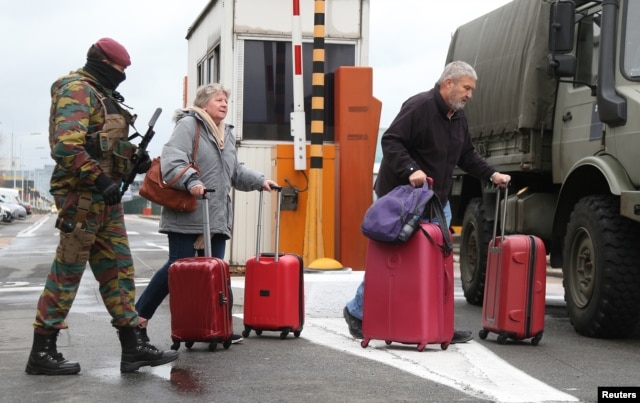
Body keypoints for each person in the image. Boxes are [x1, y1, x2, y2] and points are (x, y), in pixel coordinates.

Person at [26, 38, 178, 375]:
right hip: (82, 198)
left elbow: (104, 145)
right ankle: (42, 351)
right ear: (102, 64)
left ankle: (133, 347)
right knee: (68, 271)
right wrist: (100, 180)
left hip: (103, 200)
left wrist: (130, 162)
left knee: (119, 270)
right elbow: (67, 146)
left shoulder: (102, 95)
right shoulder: (77, 90)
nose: (122, 75)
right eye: (119, 69)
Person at [344, 61, 511, 343]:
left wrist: (492, 174)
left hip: (436, 199)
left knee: (439, 263)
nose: (470, 94)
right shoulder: (419, 107)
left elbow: (466, 155)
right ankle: (356, 312)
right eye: (466, 88)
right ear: (449, 84)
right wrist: (412, 170)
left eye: (472, 89)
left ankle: (439, 322)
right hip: (401, 198)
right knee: (392, 259)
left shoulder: (457, 118)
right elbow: (391, 141)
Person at [135, 83, 279, 342]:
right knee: (176, 271)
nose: (224, 104)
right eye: (218, 100)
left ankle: (215, 327)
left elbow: (233, 172)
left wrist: (259, 181)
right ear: (203, 103)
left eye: (226, 101)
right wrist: (192, 181)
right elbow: (172, 159)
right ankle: (139, 317)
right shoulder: (189, 125)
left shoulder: (226, 134)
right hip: (188, 214)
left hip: (216, 217)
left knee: (215, 272)